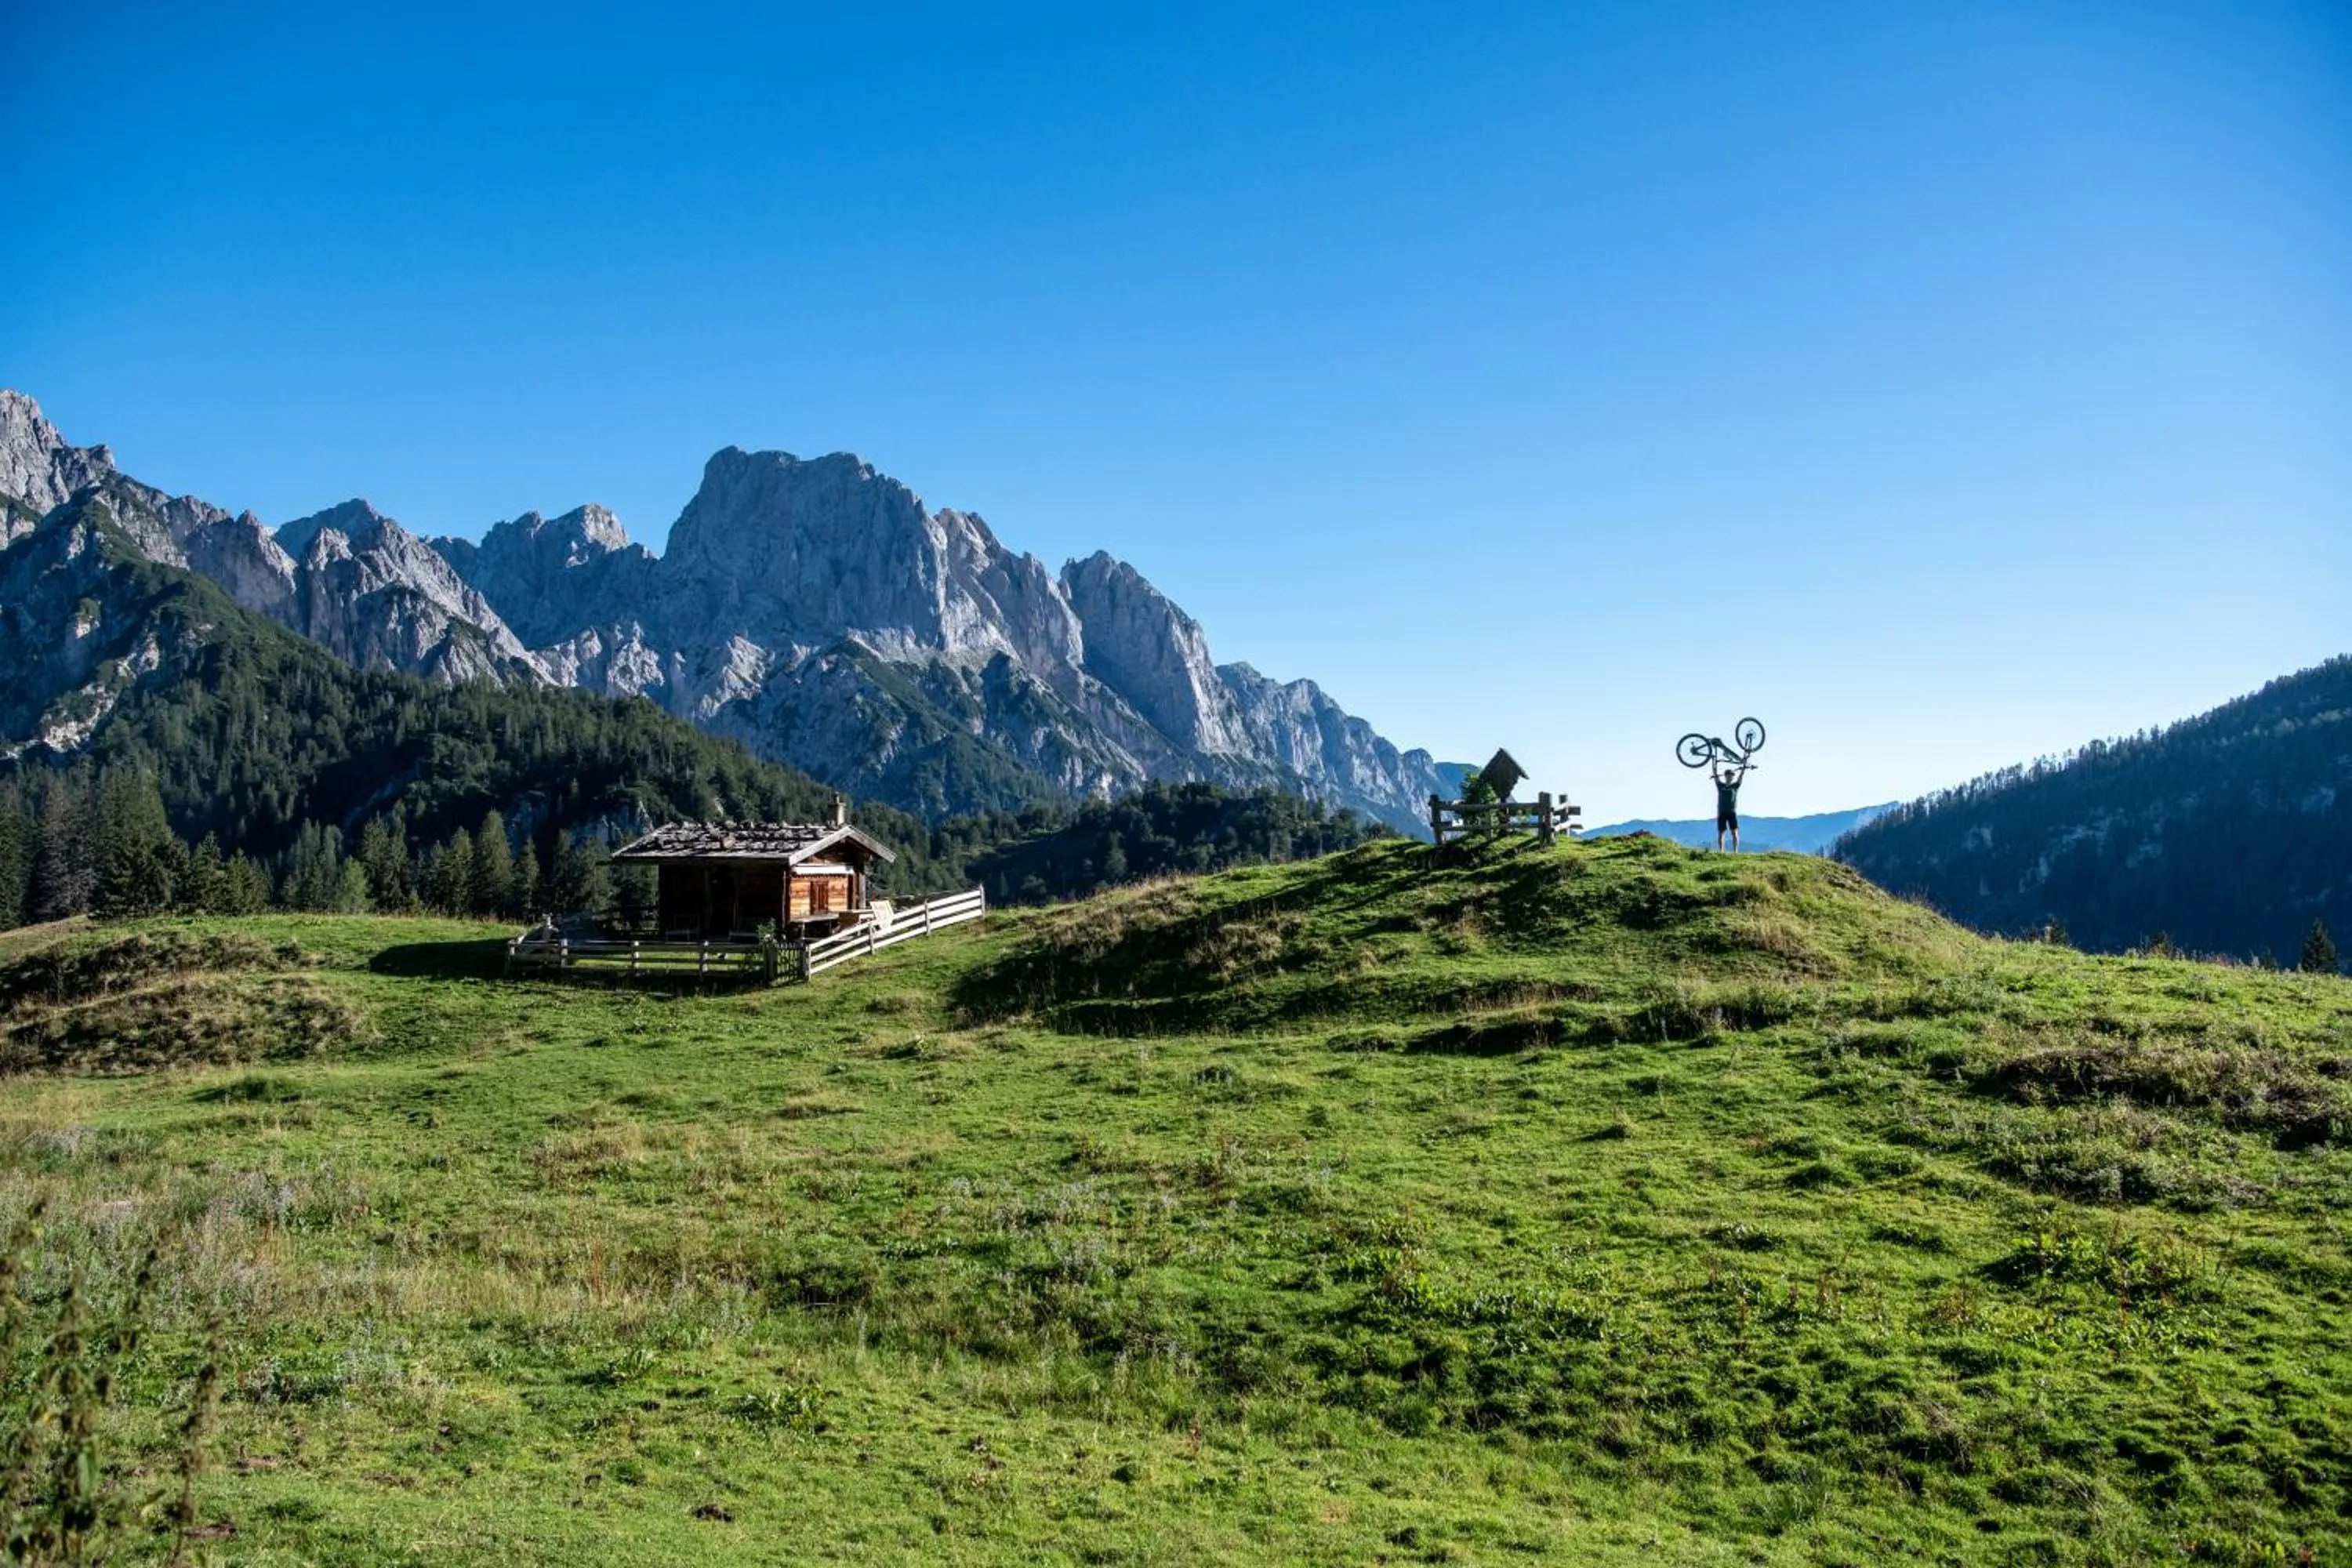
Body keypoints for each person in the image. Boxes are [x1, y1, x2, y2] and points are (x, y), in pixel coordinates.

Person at [1711, 756, 1750, 851]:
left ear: (1733, 777)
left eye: (1731, 776)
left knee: (1734, 832)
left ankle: (1735, 851)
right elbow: (1715, 776)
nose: (1729, 777)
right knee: (1721, 833)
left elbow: (1740, 778)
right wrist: (1714, 764)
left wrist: (1743, 769)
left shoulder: (1735, 786)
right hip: (1722, 812)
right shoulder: (1721, 786)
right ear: (1725, 776)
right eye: (1728, 776)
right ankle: (1721, 851)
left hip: (1732, 812)